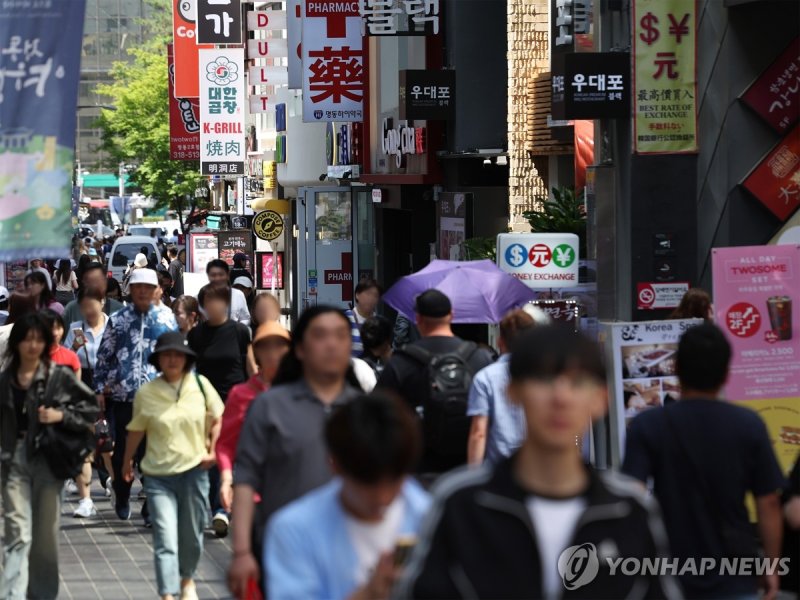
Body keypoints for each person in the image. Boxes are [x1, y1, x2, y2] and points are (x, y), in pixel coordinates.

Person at [398, 325, 678, 599]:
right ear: (513, 391)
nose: (561, 397)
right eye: (543, 379)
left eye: (578, 382)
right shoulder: (461, 503)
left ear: (600, 399)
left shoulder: (628, 510)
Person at [623, 322, 785, 599]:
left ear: (678, 369)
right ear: (725, 373)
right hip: (736, 573)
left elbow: (631, 496)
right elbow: (768, 501)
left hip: (668, 571)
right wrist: (771, 566)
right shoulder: (748, 424)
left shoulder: (648, 426)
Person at [228, 306, 361, 598]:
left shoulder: (362, 410)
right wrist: (241, 552)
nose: (331, 344)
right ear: (300, 349)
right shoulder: (269, 406)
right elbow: (246, 479)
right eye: (320, 335)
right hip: (282, 547)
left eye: (340, 335)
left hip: (349, 548)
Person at [265, 394, 430, 600]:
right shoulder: (294, 530)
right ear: (335, 465)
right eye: (368, 485)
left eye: (394, 482)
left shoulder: (430, 518)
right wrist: (369, 594)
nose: (382, 498)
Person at [0, 313, 98, 600]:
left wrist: (59, 414)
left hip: (48, 460)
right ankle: (12, 595)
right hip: (13, 460)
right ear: (16, 343)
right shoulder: (5, 380)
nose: (32, 345)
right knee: (17, 532)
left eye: (38, 340)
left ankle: (41, 595)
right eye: (26, 339)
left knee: (44, 538)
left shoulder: (58, 377)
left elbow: (89, 409)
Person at [122, 332, 224, 600]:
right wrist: (127, 462)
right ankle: (167, 594)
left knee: (191, 537)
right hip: (158, 476)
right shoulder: (147, 392)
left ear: (187, 359)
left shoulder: (201, 385)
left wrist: (213, 450)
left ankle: (187, 580)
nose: (172, 359)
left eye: (178, 354)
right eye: (166, 355)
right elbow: (136, 430)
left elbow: (217, 418)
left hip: (194, 472)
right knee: (165, 538)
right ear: (158, 360)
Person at [94, 268, 179, 522]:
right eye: (137, 286)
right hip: (125, 398)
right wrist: (100, 388)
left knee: (153, 453)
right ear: (130, 290)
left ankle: (151, 506)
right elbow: (104, 356)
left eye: (147, 287)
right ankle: (122, 494)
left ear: (156, 290)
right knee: (123, 454)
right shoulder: (118, 320)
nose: (142, 291)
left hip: (158, 397)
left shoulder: (167, 318)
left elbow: (178, 354)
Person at [378, 290, 493, 475]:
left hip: (417, 469)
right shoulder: (480, 358)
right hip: (469, 467)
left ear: (418, 319)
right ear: (451, 316)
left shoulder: (401, 362)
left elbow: (378, 416)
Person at [187, 282, 250, 537]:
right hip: (207, 404)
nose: (212, 306)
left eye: (218, 301)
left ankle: (227, 508)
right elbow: (190, 370)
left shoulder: (239, 332)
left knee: (233, 457)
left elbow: (250, 366)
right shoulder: (197, 335)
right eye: (207, 302)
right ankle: (219, 508)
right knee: (213, 457)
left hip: (237, 402)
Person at [216, 322, 290, 516]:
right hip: (253, 495)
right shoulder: (241, 394)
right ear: (256, 352)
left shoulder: (303, 392)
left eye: (279, 345)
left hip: (295, 495)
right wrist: (226, 479)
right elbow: (225, 444)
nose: (273, 352)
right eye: (266, 346)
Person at [64, 285, 111, 518]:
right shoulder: (75, 329)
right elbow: (64, 358)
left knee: (107, 443)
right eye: (84, 306)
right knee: (84, 444)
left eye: (92, 304)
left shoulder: (113, 326)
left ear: (102, 303)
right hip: (82, 388)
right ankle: (86, 499)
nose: (88, 310)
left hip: (110, 391)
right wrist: (74, 347)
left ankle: (113, 480)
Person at [466, 309, 534, 466]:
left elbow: (479, 432)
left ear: (499, 341)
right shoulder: (545, 376)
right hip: (537, 468)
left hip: (498, 468)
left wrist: (473, 474)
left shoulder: (485, 378)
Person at [206, 259, 250, 325]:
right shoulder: (201, 296)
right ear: (208, 276)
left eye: (221, 274)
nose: (217, 278)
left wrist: (238, 329)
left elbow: (245, 318)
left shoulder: (238, 295)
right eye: (213, 275)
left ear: (227, 275)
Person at [39, 310, 81, 379]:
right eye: (50, 328)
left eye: (58, 328)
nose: (55, 333)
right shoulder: (31, 356)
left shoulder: (71, 357)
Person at [345, 279, 382, 357]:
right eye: (368, 294)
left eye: (375, 295)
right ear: (357, 295)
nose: (371, 298)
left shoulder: (379, 322)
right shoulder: (345, 318)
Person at [247, 293, 281, 375]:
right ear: (254, 312)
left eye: (270, 308)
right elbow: (252, 368)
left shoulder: (286, 336)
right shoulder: (248, 334)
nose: (266, 312)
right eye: (261, 309)